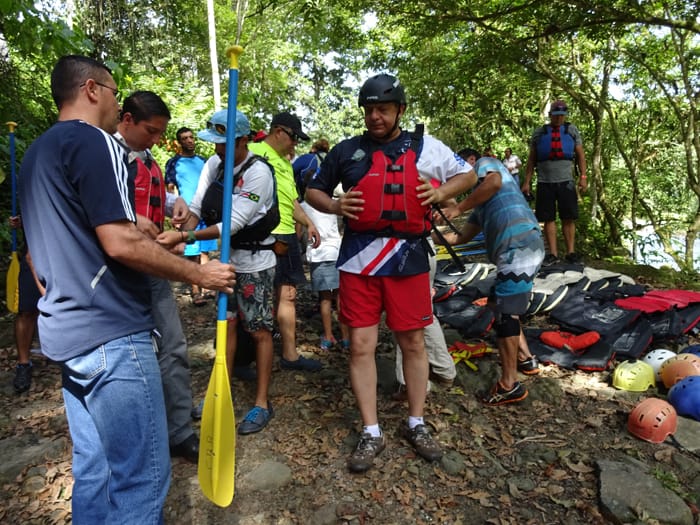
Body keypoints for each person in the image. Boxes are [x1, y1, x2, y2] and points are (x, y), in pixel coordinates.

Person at [18, 55, 235, 524]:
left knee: (95, 467)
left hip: (66, 331)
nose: (118, 103)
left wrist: (138, 227)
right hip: (111, 334)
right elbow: (117, 243)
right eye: (115, 91)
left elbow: (60, 236)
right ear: (92, 90)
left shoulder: (37, 152)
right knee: (140, 476)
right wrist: (199, 274)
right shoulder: (96, 142)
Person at [305, 73, 474, 473]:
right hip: (359, 260)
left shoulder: (425, 147)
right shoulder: (346, 151)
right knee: (361, 346)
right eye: (369, 110)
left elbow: (468, 174)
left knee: (413, 343)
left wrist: (442, 193)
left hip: (408, 258)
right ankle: (371, 431)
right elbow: (314, 190)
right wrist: (333, 207)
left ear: (399, 110)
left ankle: (416, 422)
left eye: (382, 109)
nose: (375, 117)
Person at [158, 108, 279, 435]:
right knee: (227, 326)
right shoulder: (215, 163)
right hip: (226, 262)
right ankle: (217, 392)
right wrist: (183, 232)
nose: (216, 149)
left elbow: (233, 224)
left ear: (241, 140)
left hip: (255, 262)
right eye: (214, 142)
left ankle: (262, 402)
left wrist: (185, 237)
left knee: (260, 330)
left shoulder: (259, 174)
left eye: (223, 143)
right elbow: (197, 206)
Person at [114, 91, 201, 463]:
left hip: (151, 268)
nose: (155, 140)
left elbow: (152, 194)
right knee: (132, 359)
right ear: (127, 120)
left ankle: (179, 428)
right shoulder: (107, 156)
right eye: (150, 131)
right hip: (116, 275)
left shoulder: (146, 157)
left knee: (173, 347)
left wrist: (172, 202)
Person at [439, 155, 544, 405]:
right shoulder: (482, 206)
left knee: (506, 315)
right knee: (498, 303)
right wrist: (427, 234)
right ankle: (526, 359)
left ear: (470, 160)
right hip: (520, 247)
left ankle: (509, 385)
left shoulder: (486, 164)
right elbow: (460, 238)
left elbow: (493, 182)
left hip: (517, 246)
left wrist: (457, 208)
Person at [249, 112, 322, 372]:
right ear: (279, 131)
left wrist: (308, 223)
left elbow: (291, 201)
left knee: (288, 294)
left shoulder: (284, 162)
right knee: (255, 295)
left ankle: (289, 355)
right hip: (259, 236)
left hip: (286, 235)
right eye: (293, 138)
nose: (295, 145)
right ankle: (248, 356)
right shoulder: (251, 150)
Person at [522, 99, 588, 265]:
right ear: (550, 115)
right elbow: (531, 159)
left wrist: (583, 177)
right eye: (556, 115)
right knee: (548, 218)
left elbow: (580, 155)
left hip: (566, 181)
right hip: (545, 182)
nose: (559, 118)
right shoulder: (540, 133)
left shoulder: (571, 130)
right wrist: (527, 182)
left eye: (562, 115)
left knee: (568, 217)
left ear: (565, 116)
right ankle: (553, 254)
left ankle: (571, 252)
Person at [297, 157, 349, 352]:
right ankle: (345, 337)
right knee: (340, 297)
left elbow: (299, 233)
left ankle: (328, 336)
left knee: (325, 299)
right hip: (337, 252)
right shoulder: (331, 203)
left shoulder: (303, 206)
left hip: (319, 255)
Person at [165, 127, 218, 305]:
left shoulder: (203, 161)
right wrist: (175, 215)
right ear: (179, 142)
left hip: (206, 211)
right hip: (187, 213)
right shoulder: (174, 163)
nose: (189, 141)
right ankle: (196, 291)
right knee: (192, 252)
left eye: (191, 137)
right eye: (185, 138)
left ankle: (207, 286)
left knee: (205, 250)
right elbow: (170, 190)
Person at [8, 215, 41, 394]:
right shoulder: (30, 188)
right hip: (33, 254)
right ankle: (23, 364)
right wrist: (20, 222)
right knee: (26, 309)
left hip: (64, 251)